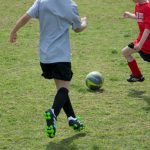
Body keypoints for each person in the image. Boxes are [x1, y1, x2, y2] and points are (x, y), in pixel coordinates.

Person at [10, 0, 87, 138]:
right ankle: (53, 112)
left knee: (61, 90)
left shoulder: (41, 1)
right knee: (64, 89)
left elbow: (26, 17)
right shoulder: (71, 6)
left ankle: (72, 118)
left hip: (45, 56)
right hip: (61, 55)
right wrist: (84, 22)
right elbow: (77, 28)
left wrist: (14, 31)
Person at [122, 0, 150, 82]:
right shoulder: (138, 5)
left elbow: (148, 28)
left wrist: (140, 44)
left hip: (147, 43)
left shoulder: (148, 7)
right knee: (125, 52)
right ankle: (137, 75)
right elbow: (140, 17)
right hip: (141, 40)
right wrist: (131, 15)